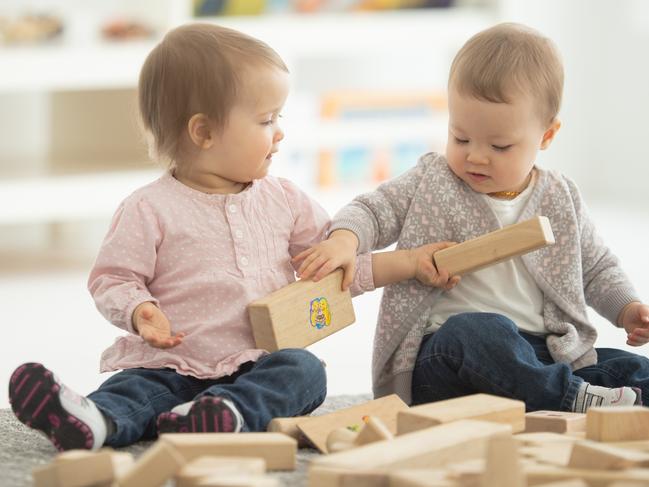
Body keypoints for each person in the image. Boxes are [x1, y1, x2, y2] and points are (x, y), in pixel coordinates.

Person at [8, 23, 381, 452]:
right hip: (171, 364)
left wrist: (399, 262)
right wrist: (139, 310)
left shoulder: (285, 200)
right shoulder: (148, 208)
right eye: (266, 120)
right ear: (202, 132)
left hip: (258, 364)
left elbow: (331, 262)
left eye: (279, 117)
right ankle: (94, 419)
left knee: (304, 370)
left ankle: (225, 412)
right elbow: (112, 278)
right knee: (135, 389)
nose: (279, 132)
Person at [294, 22, 649, 413]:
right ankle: (571, 397)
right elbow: (372, 210)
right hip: (446, 356)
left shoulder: (560, 195)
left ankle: (577, 394)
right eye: (460, 138)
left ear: (546, 136)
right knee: (480, 331)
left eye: (499, 146)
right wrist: (345, 239)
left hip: (544, 351)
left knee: (630, 366)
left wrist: (627, 309)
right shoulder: (431, 180)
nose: (475, 156)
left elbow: (597, 267)